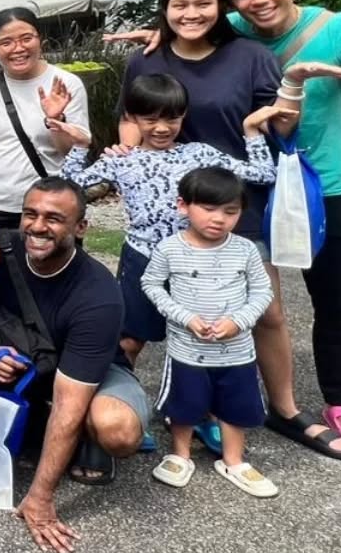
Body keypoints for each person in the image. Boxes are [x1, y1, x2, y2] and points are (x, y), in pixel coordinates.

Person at [105, 0, 341, 459]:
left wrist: (286, 99)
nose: (191, 13)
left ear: (221, 7)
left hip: (235, 207)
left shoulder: (250, 57)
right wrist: (130, 161)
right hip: (169, 215)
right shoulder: (145, 60)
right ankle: (122, 410)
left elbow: (276, 123)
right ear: (165, 10)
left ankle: (284, 408)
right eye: (180, 5)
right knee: (142, 320)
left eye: (203, 3)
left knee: (264, 310)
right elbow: (130, 119)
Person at [217, 0, 341, 455]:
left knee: (336, 300)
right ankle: (252, 401)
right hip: (254, 189)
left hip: (326, 188)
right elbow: (193, 38)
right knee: (258, 304)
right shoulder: (234, 32)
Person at [0, 179, 149, 553]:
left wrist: (39, 499)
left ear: (81, 227)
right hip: (25, 364)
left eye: (55, 218)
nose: (38, 227)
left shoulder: (97, 294)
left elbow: (70, 401)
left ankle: (86, 438)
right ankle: (42, 422)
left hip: (90, 375)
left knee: (116, 429)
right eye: (31, 214)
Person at [61, 74, 278, 367]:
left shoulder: (199, 153)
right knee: (129, 338)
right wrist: (80, 145)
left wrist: (251, 131)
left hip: (194, 260)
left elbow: (264, 174)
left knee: (206, 332)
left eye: (172, 119)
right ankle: (117, 399)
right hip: (142, 257)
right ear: (132, 117)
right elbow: (68, 186)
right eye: (150, 119)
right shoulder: (121, 159)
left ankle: (198, 405)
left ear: (183, 115)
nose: (162, 128)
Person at [142, 167, 278, 498]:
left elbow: (262, 292)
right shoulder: (169, 248)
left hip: (237, 352)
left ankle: (234, 460)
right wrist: (184, 316)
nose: (218, 219)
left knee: (236, 405)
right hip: (187, 349)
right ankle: (180, 454)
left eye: (230, 212)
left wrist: (240, 321)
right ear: (183, 205)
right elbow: (151, 283)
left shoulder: (245, 250)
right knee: (184, 404)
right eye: (208, 208)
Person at [0, 9, 89, 233]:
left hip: (51, 204)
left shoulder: (65, 84)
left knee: (53, 268)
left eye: (26, 38)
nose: (18, 48)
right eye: (6, 42)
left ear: (40, 39)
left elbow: (72, 154)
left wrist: (55, 120)